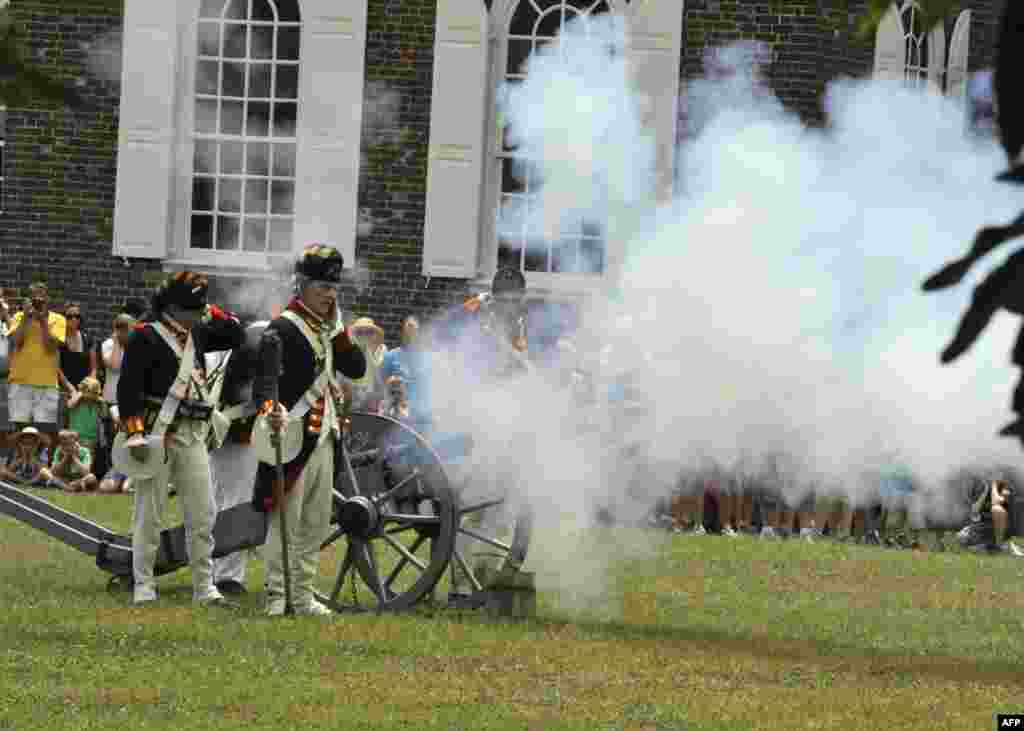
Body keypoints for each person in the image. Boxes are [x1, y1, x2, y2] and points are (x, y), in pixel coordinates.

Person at [113, 271, 245, 606]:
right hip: (158, 432)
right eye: (191, 307)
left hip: (192, 434)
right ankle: (143, 584)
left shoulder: (197, 332)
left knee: (203, 513)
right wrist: (135, 433)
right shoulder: (145, 336)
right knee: (149, 514)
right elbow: (128, 389)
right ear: (171, 306)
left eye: (198, 307)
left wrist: (208, 308)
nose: (196, 313)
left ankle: (205, 586)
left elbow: (236, 334)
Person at [251, 244, 366, 616]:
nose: (329, 294)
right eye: (322, 287)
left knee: (315, 525)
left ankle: (302, 597)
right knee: (285, 522)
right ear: (301, 285)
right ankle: (276, 596)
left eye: (333, 288)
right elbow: (264, 387)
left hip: (324, 435)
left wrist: (339, 328)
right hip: (292, 435)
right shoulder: (282, 327)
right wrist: (272, 413)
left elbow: (357, 367)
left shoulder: (328, 328)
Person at [206, 319, 265, 596]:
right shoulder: (242, 365)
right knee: (232, 505)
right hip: (234, 440)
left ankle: (222, 571)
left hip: (240, 440)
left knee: (227, 502)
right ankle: (226, 575)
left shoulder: (239, 361)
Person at [8, 282, 66, 436]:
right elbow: (16, 342)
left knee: (44, 431)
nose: (38, 300)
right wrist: (26, 318)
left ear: (47, 299)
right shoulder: (19, 317)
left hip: (46, 382)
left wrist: (43, 321)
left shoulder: (59, 319)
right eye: (34, 296)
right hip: (20, 380)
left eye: (41, 296)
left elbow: (51, 347)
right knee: (20, 430)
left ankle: (41, 460)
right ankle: (22, 460)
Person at [380, 315, 433, 429]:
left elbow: (430, 386)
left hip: (421, 415)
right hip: (397, 415)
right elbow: (382, 383)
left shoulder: (426, 358)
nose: (410, 333)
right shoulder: (391, 356)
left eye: (414, 329)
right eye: (408, 328)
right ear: (402, 332)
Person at [57, 302, 98, 424]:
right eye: (70, 316)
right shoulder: (59, 340)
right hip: (64, 390)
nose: (74, 319)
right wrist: (72, 390)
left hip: (85, 392)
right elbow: (57, 369)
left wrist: (84, 390)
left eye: (77, 316)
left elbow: (94, 368)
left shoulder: (88, 339)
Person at [347, 317, 387, 415]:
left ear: (374, 335)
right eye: (360, 332)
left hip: (372, 410)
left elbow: (382, 383)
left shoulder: (381, 352)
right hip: (351, 408)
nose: (364, 336)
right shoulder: (347, 354)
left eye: (369, 332)